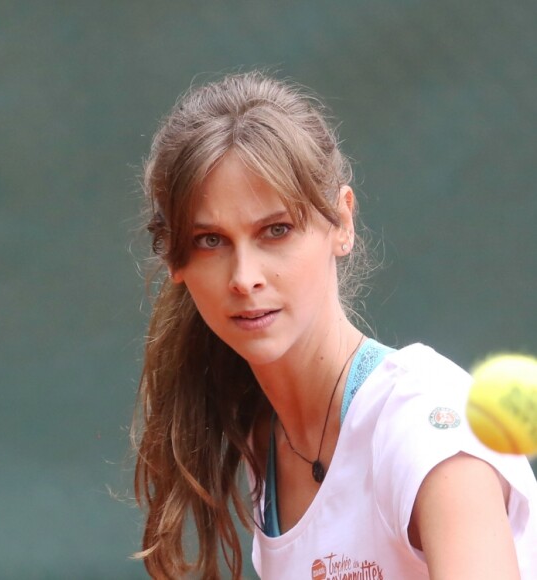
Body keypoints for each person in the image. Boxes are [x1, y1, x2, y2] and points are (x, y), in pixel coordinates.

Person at [130, 71, 537, 579]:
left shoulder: (427, 429)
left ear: (341, 223)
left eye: (275, 231)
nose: (245, 278)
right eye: (211, 240)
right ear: (175, 259)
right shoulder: (264, 437)